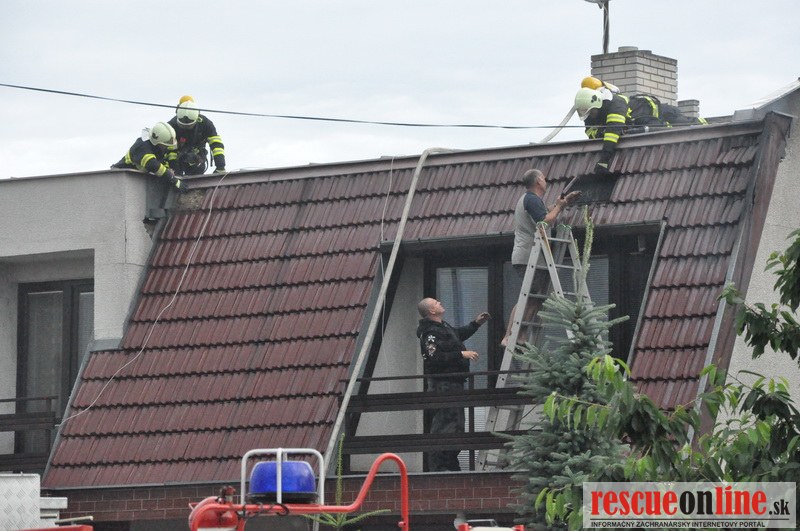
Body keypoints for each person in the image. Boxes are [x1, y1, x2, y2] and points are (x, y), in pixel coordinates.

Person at [501, 169, 580, 347]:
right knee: (529, 296)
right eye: (543, 178)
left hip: (533, 257)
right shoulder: (531, 199)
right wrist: (559, 207)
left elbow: (544, 212)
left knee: (534, 297)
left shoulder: (531, 200)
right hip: (529, 256)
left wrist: (562, 204)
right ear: (537, 181)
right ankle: (510, 335)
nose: (545, 180)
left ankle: (520, 335)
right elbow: (545, 221)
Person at [415, 298, 490, 472]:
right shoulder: (430, 333)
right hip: (443, 385)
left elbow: (457, 335)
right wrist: (461, 354)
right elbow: (434, 358)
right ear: (431, 311)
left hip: (453, 383)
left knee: (456, 426)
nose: (439, 302)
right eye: (435, 303)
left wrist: (475, 324)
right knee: (445, 425)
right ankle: (439, 466)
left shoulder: (443, 327)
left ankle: (450, 463)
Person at [575, 87, 707, 174]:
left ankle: (708, 126)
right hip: (639, 122)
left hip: (653, 112)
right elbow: (591, 133)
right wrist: (600, 133)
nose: (591, 116)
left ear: (597, 103)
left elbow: (613, 132)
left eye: (592, 112)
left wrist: (604, 160)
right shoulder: (590, 111)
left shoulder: (616, 104)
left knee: (681, 125)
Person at [112, 121, 186, 192]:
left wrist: (169, 170)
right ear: (157, 141)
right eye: (164, 145)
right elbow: (153, 165)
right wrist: (174, 180)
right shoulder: (142, 146)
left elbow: (161, 161)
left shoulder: (156, 147)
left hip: (135, 180)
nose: (166, 147)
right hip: (119, 179)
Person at [166, 97, 226, 176]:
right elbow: (169, 151)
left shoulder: (205, 124)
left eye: (189, 126)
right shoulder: (171, 126)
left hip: (198, 157)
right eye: (183, 125)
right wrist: (174, 170)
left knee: (197, 175)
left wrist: (220, 166)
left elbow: (216, 145)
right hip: (178, 157)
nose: (186, 128)